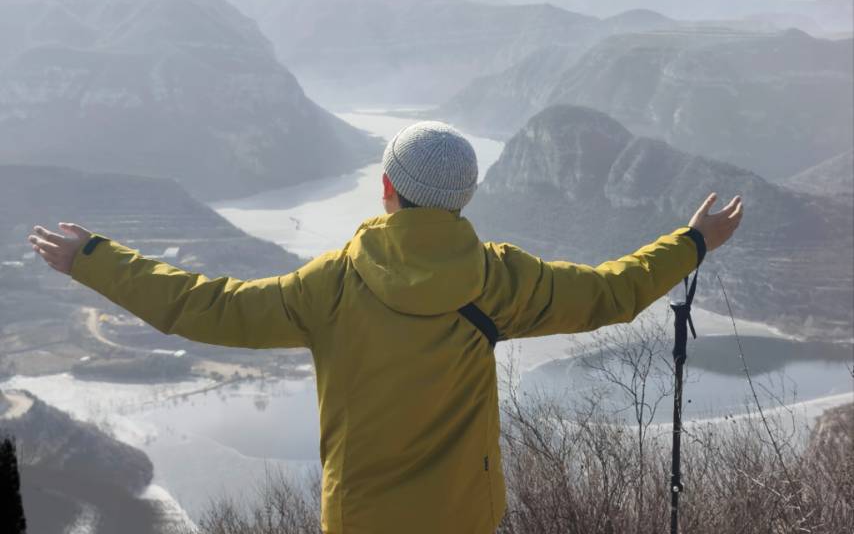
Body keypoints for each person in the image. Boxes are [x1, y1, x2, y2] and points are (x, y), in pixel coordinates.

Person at [28, 121, 743, 534]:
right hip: (464, 517)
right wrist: (692, 242)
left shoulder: (331, 286)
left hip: (362, 520)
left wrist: (96, 260)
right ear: (462, 200)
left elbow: (204, 306)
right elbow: (611, 294)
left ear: (387, 190)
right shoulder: (501, 281)